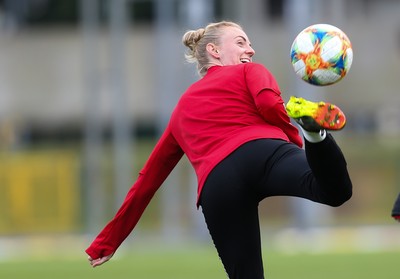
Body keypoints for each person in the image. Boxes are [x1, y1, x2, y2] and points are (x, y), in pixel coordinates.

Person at [85, 21, 352, 278]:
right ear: (214, 51)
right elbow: (269, 105)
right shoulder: (250, 70)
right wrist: (296, 141)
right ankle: (313, 132)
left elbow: (148, 180)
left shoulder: (181, 108)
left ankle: (311, 132)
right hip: (262, 153)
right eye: (240, 42)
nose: (251, 49)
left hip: (218, 184)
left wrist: (108, 241)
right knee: (334, 190)